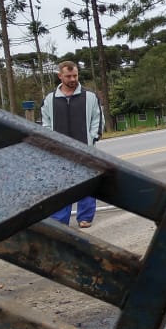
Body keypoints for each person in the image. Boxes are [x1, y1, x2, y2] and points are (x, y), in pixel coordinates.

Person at [41, 61, 103, 228]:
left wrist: (92, 139)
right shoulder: (50, 98)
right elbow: (45, 123)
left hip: (85, 148)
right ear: (60, 76)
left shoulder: (90, 96)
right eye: (68, 76)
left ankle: (85, 217)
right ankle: (60, 220)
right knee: (61, 185)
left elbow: (97, 119)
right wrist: (51, 141)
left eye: (75, 75)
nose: (72, 79)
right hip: (60, 150)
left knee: (86, 184)